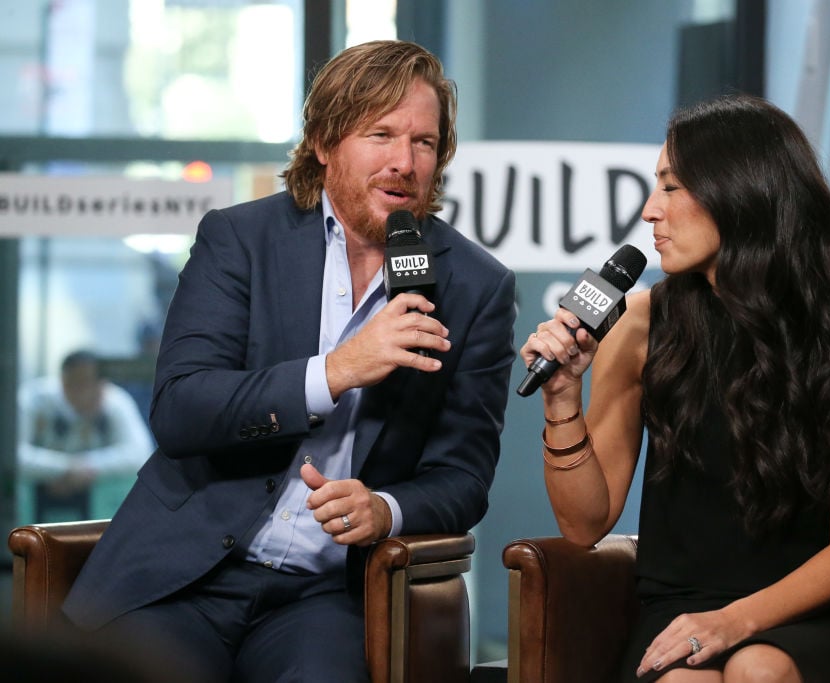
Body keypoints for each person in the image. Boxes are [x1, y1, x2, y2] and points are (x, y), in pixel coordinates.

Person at [62, 40, 517, 683]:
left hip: (326, 597)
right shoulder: (241, 239)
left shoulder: (476, 285)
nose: (402, 161)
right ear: (325, 143)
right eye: (380, 134)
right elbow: (182, 408)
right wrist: (333, 371)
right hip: (188, 574)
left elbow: (463, 476)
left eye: (422, 142)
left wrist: (384, 509)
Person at [519, 94, 830, 683]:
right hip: (681, 605)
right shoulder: (641, 323)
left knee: (758, 670)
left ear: (743, 192)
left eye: (672, 188)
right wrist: (562, 398)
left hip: (815, 610)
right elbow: (584, 524)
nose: (650, 211)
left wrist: (737, 621)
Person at [17, 349, 154, 522]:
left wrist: (88, 467)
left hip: (95, 495)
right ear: (65, 383)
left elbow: (140, 454)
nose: (97, 391)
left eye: (100, 382)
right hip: (34, 497)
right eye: (85, 383)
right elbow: (12, 456)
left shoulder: (115, 401)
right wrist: (64, 469)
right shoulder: (34, 399)